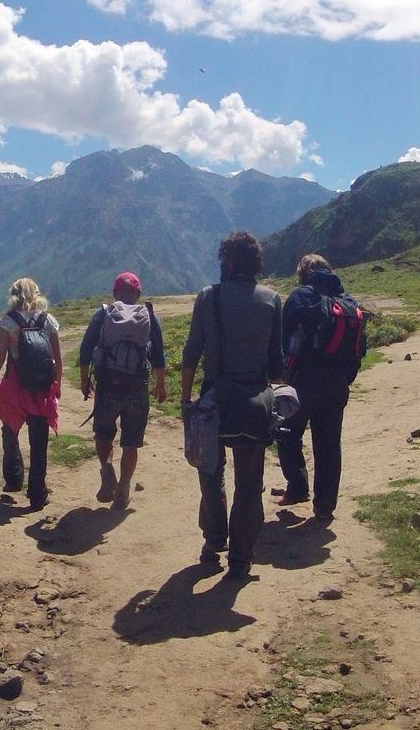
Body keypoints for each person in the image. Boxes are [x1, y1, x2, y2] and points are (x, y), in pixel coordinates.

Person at [180, 231, 283, 580]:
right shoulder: (271, 300)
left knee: (210, 471)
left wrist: (184, 401)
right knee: (249, 483)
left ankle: (213, 539)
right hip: (255, 404)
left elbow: (191, 353)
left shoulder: (208, 298)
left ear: (228, 261)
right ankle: (241, 558)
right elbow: (277, 365)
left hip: (214, 403)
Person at [275, 254, 361, 523]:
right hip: (337, 384)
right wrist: (346, 377)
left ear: (303, 273)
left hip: (303, 381)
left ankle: (298, 487)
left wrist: (280, 373)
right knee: (328, 444)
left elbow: (282, 336)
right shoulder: (347, 301)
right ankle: (325, 506)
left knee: (286, 432)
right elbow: (360, 348)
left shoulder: (300, 297)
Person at [78, 271, 167, 510]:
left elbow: (85, 350)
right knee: (131, 442)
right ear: (138, 294)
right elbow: (159, 356)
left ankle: (107, 468)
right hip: (137, 387)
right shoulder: (148, 316)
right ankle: (124, 486)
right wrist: (160, 385)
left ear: (115, 293)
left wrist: (85, 381)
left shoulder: (104, 313)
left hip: (108, 385)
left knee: (103, 434)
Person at [0, 277, 62, 509]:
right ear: (36, 294)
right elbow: (57, 357)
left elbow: (0, 355)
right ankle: (37, 492)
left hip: (15, 386)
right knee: (39, 440)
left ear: (13, 295)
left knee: (9, 429)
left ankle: (14, 478)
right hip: (41, 388)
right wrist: (57, 384)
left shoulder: (9, 322)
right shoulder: (48, 320)